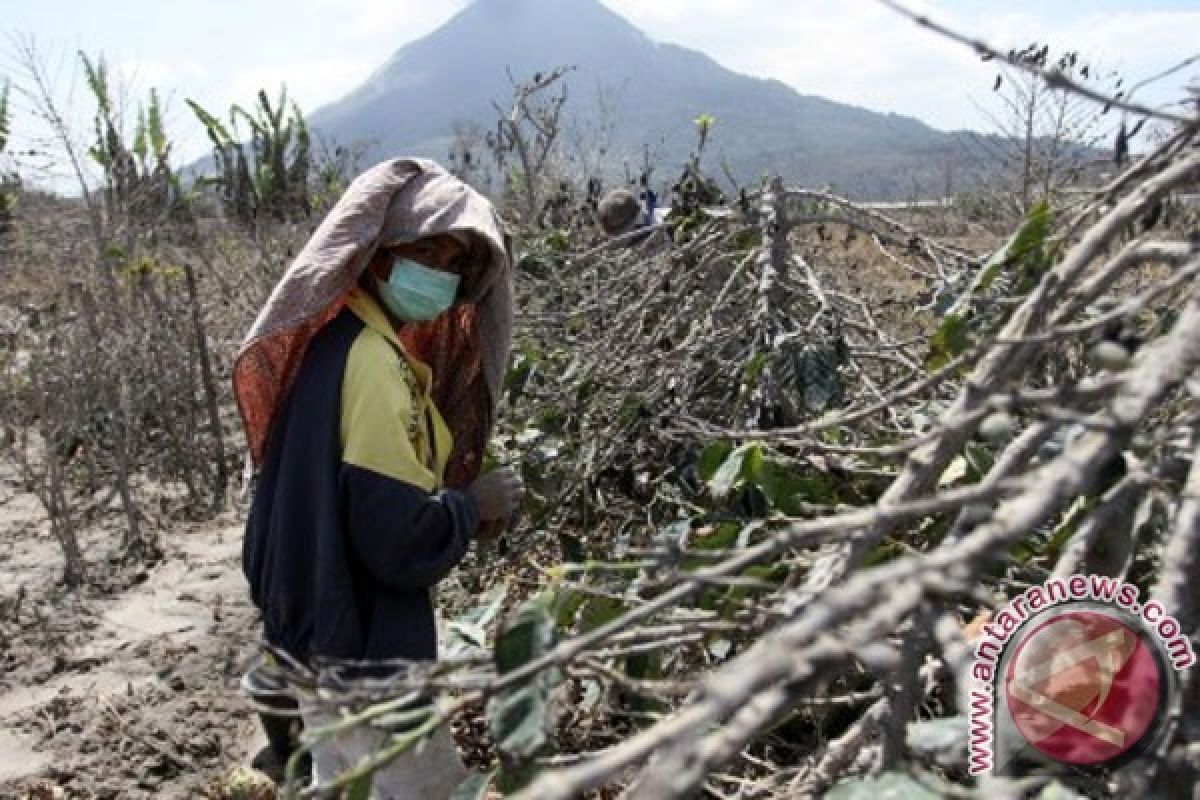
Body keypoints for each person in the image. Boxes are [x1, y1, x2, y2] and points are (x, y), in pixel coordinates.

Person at [233, 158, 522, 797]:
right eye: (427, 249)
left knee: (343, 782)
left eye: (454, 262)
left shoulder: (342, 343)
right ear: (378, 253)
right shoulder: (371, 366)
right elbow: (394, 541)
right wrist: (473, 505)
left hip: (317, 634)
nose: (440, 273)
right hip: (363, 649)